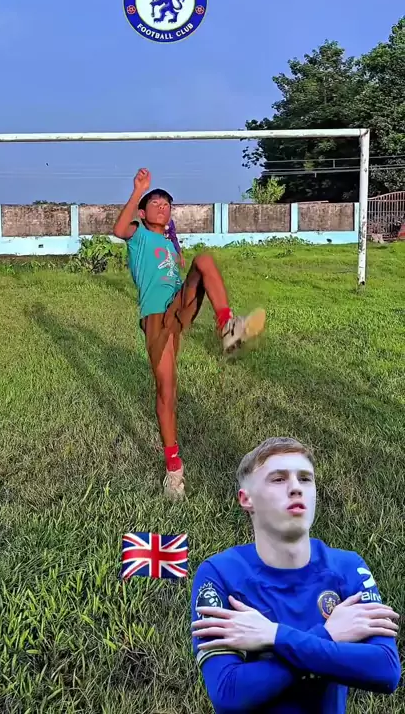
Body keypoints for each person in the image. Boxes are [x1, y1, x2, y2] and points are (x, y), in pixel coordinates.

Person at [190, 436, 401, 712]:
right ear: (246, 499)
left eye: (305, 478)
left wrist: (275, 636)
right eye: (278, 479)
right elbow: (228, 692)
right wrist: (328, 635)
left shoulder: (347, 567)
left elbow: (385, 670)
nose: (295, 488)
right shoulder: (220, 574)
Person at [112, 168, 266, 501]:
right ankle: (174, 470)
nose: (162, 207)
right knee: (167, 390)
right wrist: (137, 189)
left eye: (167, 204)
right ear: (143, 213)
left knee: (205, 261)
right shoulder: (139, 236)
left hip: (178, 305)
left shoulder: (171, 244)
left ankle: (227, 325)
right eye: (155, 203)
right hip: (156, 317)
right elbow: (119, 229)